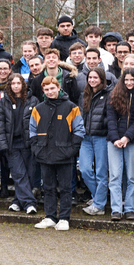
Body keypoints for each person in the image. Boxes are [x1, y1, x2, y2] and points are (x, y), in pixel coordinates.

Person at [31, 77, 84, 231]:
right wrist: (37, 148)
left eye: (52, 88)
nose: (50, 92)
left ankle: (64, 218)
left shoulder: (71, 107)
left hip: (65, 155)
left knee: (66, 188)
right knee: (48, 187)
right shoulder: (38, 108)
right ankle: (50, 216)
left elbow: (79, 130)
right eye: (46, 90)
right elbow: (32, 130)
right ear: (43, 91)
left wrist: (72, 150)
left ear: (58, 87)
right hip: (44, 153)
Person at [104, 70, 134, 221]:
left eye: (132, 80)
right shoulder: (114, 95)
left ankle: (130, 209)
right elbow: (110, 118)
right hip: (114, 141)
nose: (129, 83)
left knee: (131, 176)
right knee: (115, 175)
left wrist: (127, 137)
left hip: (133, 141)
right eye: (126, 80)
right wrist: (116, 138)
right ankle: (116, 209)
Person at [0, 74, 34, 215]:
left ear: (23, 84)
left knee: (27, 173)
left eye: (19, 83)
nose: (16, 86)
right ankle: (29, 203)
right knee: (18, 173)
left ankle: (17, 201)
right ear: (9, 85)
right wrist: (2, 143)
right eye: (13, 83)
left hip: (28, 143)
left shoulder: (32, 100)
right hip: (12, 144)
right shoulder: (3, 102)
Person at [77, 68, 111, 216]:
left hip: (101, 137)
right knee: (84, 169)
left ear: (101, 79)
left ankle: (99, 205)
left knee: (101, 172)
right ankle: (98, 196)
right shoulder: (84, 94)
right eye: (90, 77)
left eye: (95, 78)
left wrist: (102, 125)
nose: (92, 80)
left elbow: (110, 116)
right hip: (85, 137)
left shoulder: (109, 94)